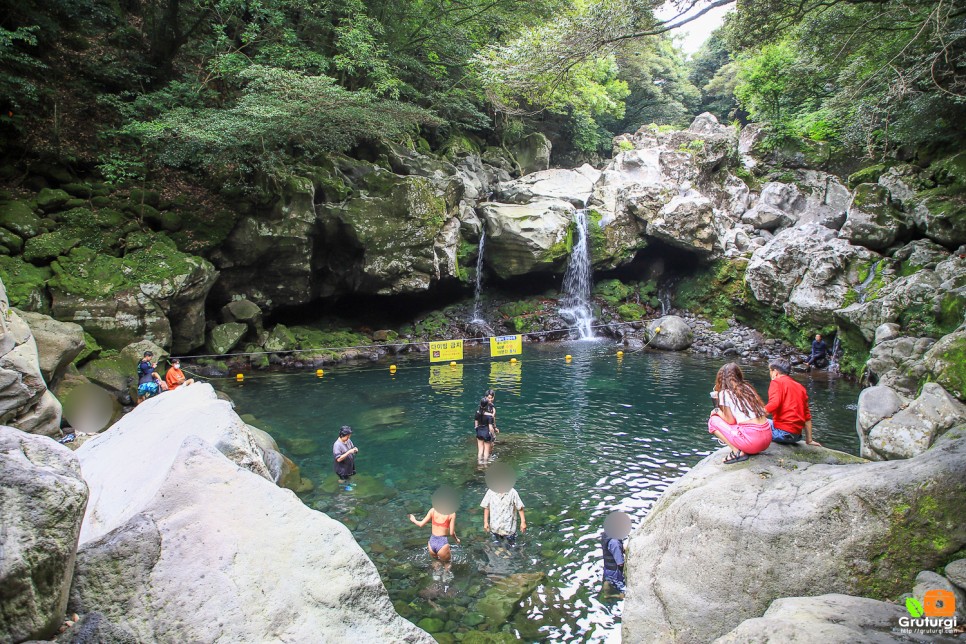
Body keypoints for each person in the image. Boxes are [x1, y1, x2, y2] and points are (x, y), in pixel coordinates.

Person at [708, 362, 772, 464]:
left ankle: (737, 452)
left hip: (753, 442)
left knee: (713, 421)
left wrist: (716, 411)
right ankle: (743, 447)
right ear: (739, 374)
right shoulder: (748, 388)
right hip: (767, 439)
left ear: (721, 378)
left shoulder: (725, 393)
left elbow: (730, 420)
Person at [766, 359, 821, 446]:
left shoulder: (776, 382)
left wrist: (756, 416)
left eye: (770, 371)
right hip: (796, 437)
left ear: (775, 372)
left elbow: (774, 404)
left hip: (781, 434)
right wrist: (809, 440)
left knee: (749, 422)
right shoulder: (800, 387)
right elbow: (807, 416)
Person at [409, 489, 461, 564]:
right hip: (442, 543)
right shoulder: (451, 514)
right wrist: (457, 540)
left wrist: (413, 519)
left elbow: (420, 524)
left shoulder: (433, 510)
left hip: (431, 542)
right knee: (447, 564)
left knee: (436, 562)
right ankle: (446, 575)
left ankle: (435, 575)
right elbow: (451, 533)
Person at [480, 464, 526, 547]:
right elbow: (486, 507)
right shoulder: (491, 492)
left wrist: (523, 522)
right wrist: (485, 522)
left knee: (510, 547)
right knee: (496, 546)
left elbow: (520, 507)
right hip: (495, 527)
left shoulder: (512, 492)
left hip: (509, 528)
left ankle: (509, 555)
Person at [474, 395, 498, 463]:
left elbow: (476, 424)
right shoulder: (489, 416)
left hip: (479, 432)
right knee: (486, 452)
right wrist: (493, 436)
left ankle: (479, 464)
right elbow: (490, 428)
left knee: (480, 451)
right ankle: (485, 464)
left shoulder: (477, 412)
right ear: (487, 405)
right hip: (486, 433)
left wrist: (477, 431)